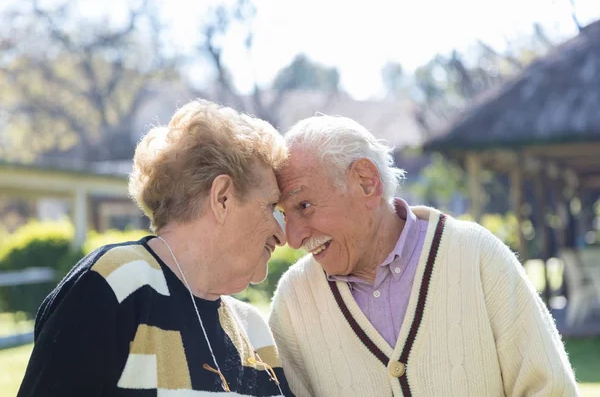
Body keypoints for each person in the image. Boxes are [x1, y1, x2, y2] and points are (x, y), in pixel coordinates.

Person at [269, 115, 578, 396]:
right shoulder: (294, 301)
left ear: (366, 182)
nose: (293, 238)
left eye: (304, 206)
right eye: (284, 214)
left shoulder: (478, 257)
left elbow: (551, 390)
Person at [18, 99, 293, 396]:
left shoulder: (254, 329)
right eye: (270, 207)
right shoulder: (116, 284)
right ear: (223, 198)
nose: (282, 234)